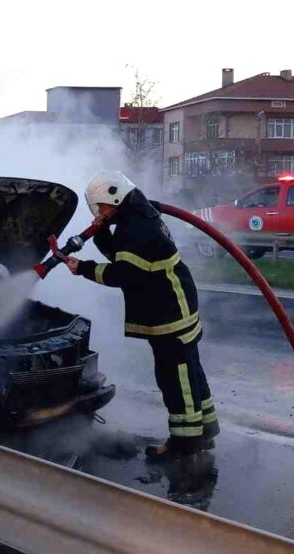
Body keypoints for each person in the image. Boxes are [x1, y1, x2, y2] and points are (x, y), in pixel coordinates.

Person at [62, 171, 217, 459]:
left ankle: (185, 443)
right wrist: (103, 232)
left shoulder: (135, 229)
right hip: (174, 303)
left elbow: (124, 273)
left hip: (170, 311)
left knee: (176, 376)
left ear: (116, 198)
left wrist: (81, 268)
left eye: (102, 208)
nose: (101, 213)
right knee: (190, 369)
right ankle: (204, 430)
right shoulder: (138, 218)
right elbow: (123, 255)